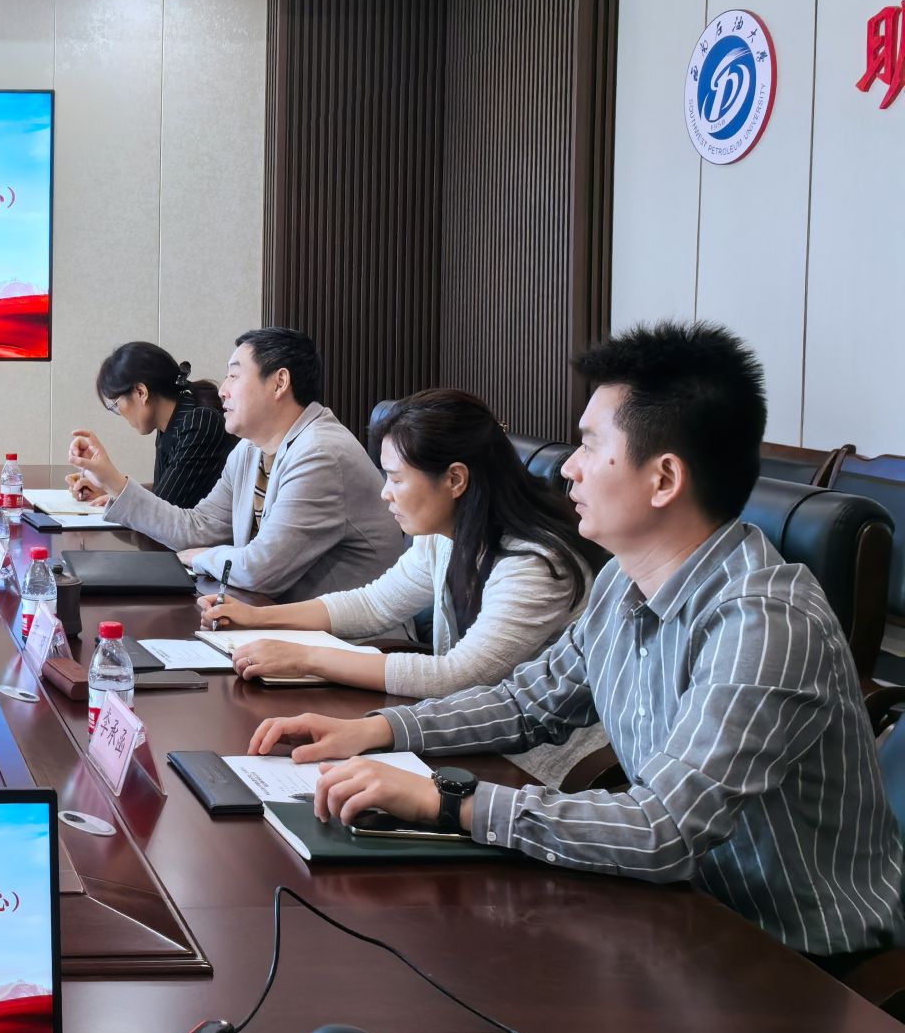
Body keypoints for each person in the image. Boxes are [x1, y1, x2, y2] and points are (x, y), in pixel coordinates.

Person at [250, 322, 904, 964]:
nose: (569, 467)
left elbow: (664, 829)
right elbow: (526, 703)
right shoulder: (623, 581)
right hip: (678, 913)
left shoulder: (764, 623)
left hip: (796, 958)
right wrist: (377, 730)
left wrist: (447, 802)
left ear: (664, 479)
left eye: (590, 446)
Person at [203, 388, 607, 785]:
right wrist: (259, 617)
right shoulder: (445, 534)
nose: (385, 493)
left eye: (396, 479)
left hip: (533, 768)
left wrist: (305, 658)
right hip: (454, 732)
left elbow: (458, 676)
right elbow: (374, 604)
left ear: (455, 479)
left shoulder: (535, 564)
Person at [67, 327, 401, 602]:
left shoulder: (320, 454)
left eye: (234, 376)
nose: (223, 390)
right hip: (276, 622)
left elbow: (261, 570)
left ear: (279, 383)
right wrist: (113, 483)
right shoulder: (250, 450)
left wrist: (202, 556)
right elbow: (197, 528)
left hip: (347, 644)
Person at [91, 341, 235, 508]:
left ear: (141, 392)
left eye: (116, 404)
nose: (120, 413)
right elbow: (166, 490)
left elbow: (161, 511)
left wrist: (113, 483)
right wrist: (112, 491)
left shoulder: (199, 423)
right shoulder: (173, 423)